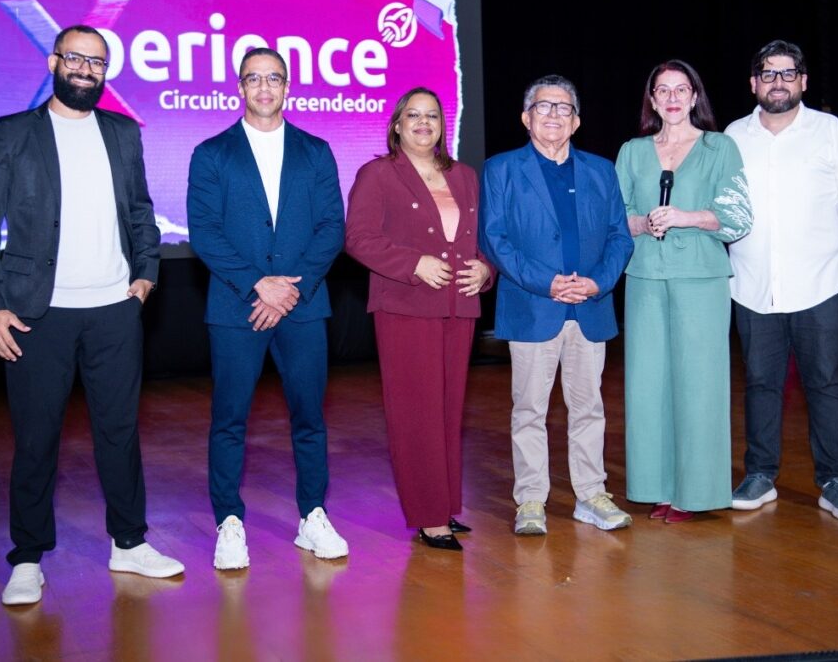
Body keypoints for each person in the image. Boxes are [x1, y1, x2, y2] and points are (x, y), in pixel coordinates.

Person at [0, 24, 184, 606]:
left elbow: (140, 210)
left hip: (115, 309)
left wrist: (146, 275)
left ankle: (129, 543)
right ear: (53, 61)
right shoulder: (12, 132)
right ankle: (28, 557)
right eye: (76, 58)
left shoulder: (123, 133)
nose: (86, 69)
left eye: (98, 62)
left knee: (120, 432)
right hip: (38, 314)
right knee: (36, 439)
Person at [187, 47, 348, 568]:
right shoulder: (211, 153)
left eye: (273, 78)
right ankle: (229, 521)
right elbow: (205, 233)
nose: (263, 87)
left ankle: (313, 516)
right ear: (239, 87)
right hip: (237, 307)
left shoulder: (316, 150)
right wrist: (259, 284)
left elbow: (331, 228)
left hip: (302, 306)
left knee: (310, 418)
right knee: (229, 419)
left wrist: (289, 290)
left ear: (287, 87)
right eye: (253, 78)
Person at [726, 40, 838, 522]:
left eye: (787, 73)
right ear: (754, 83)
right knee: (760, 385)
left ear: (803, 81)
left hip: (819, 285)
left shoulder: (830, 132)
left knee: (825, 384)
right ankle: (760, 474)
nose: (778, 82)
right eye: (768, 74)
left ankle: (835, 481)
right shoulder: (733, 135)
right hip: (752, 286)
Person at [480, 75, 634, 535]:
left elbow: (619, 238)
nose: (553, 115)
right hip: (533, 307)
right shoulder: (501, 169)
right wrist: (547, 284)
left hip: (588, 308)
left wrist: (597, 284)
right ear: (525, 118)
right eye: (543, 107)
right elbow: (494, 239)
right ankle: (530, 500)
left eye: (563, 108)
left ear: (577, 120)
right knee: (529, 410)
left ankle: (591, 494)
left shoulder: (601, 171)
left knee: (589, 409)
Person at [345, 87, 494, 551]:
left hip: (457, 306)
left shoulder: (465, 176)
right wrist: (414, 264)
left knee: (449, 409)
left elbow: (482, 239)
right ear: (396, 124)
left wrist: (486, 271)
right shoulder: (378, 174)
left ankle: (445, 504)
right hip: (406, 307)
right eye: (414, 115)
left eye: (432, 116)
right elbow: (358, 239)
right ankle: (429, 516)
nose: (423, 123)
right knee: (416, 412)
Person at [615, 60, 752, 523]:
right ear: (652, 100)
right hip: (646, 277)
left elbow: (736, 216)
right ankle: (657, 487)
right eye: (662, 90)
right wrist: (642, 221)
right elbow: (619, 217)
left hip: (701, 278)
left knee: (699, 385)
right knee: (647, 386)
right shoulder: (632, 152)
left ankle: (695, 493)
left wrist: (685, 217)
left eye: (681, 89)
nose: (672, 98)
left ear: (695, 97)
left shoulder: (720, 147)